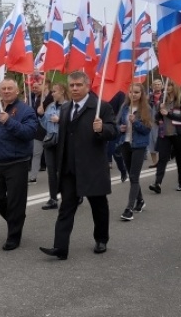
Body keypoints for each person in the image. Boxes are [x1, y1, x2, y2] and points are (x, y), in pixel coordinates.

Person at [39, 71, 117, 260]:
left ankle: (101, 239)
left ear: (87, 86)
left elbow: (114, 131)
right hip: (69, 168)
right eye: (72, 85)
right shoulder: (66, 108)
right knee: (66, 207)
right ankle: (60, 247)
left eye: (79, 85)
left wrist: (103, 128)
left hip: (92, 167)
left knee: (98, 206)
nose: (74, 88)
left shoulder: (100, 107)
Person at [0, 78, 38, 251]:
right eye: (3, 88)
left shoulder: (26, 110)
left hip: (17, 162)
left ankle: (13, 236)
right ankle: (16, 220)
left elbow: (29, 133)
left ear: (17, 91)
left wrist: (9, 121)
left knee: (15, 201)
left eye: (9, 88)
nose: (6, 91)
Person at [116, 83, 152, 221]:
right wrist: (120, 128)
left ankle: (129, 209)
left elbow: (147, 129)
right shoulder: (125, 107)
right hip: (125, 143)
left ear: (141, 94)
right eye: (131, 92)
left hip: (139, 145)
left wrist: (135, 122)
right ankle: (140, 200)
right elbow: (117, 123)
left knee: (133, 176)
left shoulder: (146, 108)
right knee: (132, 176)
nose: (133, 94)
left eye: (136, 92)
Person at [149, 80, 181, 194]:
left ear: (175, 86)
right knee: (162, 158)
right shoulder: (163, 98)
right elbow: (157, 117)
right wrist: (160, 111)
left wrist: (168, 114)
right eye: (167, 85)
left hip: (178, 134)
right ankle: (157, 183)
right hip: (165, 134)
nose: (168, 87)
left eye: (170, 85)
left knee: (179, 158)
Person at [39, 83, 68, 210]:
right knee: (51, 172)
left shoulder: (69, 106)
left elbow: (74, 124)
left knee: (64, 171)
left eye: (55, 91)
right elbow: (45, 125)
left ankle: (73, 195)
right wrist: (41, 115)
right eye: (52, 91)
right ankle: (53, 199)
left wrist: (60, 120)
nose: (52, 94)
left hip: (64, 142)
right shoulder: (50, 106)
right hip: (50, 141)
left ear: (62, 92)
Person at [29, 81, 53, 183]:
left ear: (46, 84)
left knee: (51, 156)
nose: (35, 88)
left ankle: (54, 176)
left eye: (39, 84)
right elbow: (35, 114)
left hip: (51, 130)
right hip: (39, 130)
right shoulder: (38, 98)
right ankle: (33, 176)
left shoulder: (53, 96)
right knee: (36, 153)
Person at [147, 79, 163, 168]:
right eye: (155, 84)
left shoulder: (165, 97)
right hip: (151, 122)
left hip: (162, 123)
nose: (157, 86)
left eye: (159, 84)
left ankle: (161, 161)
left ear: (162, 86)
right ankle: (155, 162)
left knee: (160, 142)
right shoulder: (149, 97)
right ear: (152, 86)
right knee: (151, 142)